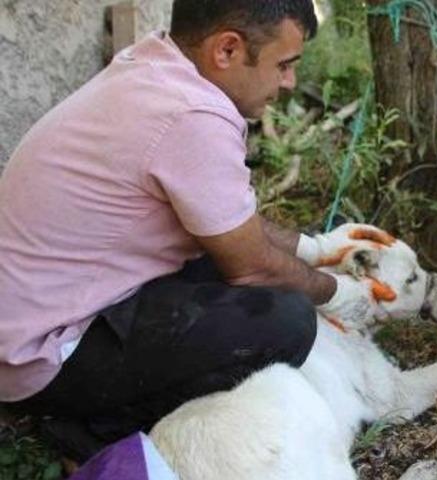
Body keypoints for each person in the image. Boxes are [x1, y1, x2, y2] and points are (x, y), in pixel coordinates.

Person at [0, 0, 383, 461]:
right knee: (286, 322)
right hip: (35, 358)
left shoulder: (154, 67)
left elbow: (227, 224)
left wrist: (315, 248)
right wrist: (336, 292)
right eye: (283, 65)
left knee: (218, 267)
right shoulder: (193, 115)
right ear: (226, 49)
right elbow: (251, 265)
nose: (289, 83)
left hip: (33, 315)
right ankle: (95, 430)